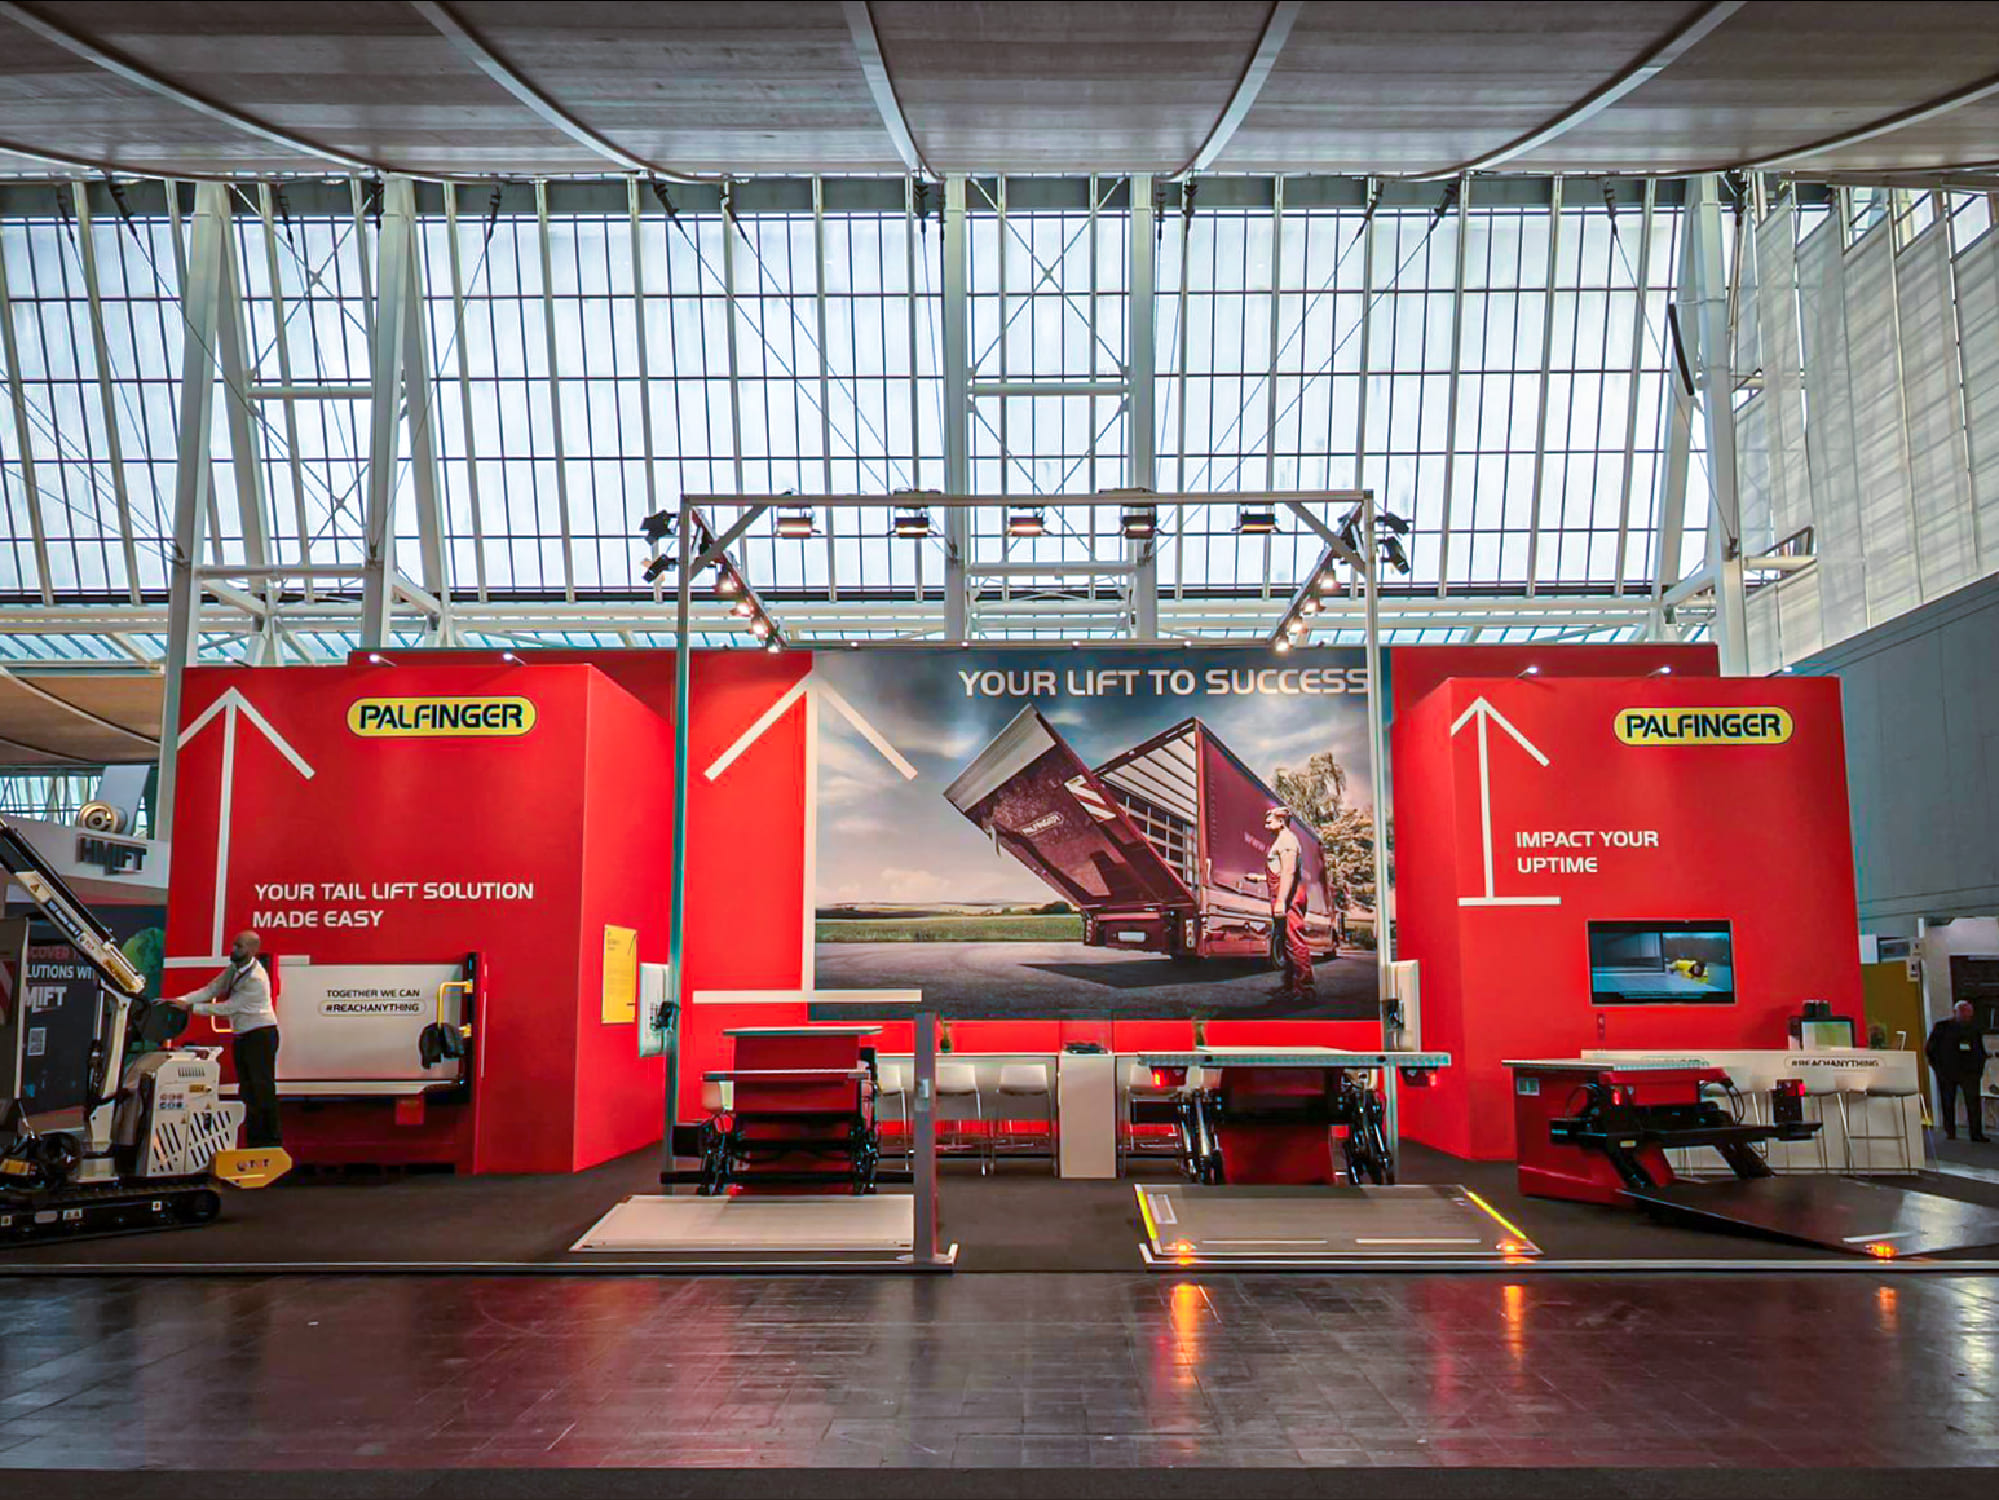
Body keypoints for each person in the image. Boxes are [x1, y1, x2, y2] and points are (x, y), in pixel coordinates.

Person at [169, 930, 282, 1149]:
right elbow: (212, 989)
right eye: (234, 945)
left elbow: (229, 1008)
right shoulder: (234, 969)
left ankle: (270, 1142)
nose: (233, 950)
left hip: (260, 1035)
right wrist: (181, 1000)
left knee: (262, 1091)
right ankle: (254, 1143)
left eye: (239, 946)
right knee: (247, 1091)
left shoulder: (256, 978)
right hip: (244, 1036)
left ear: (252, 950)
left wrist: (192, 1008)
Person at [1264, 805, 1314, 1001]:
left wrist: (1281, 901)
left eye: (1270, 819)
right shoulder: (1281, 840)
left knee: (1294, 940)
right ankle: (1291, 986)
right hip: (1284, 895)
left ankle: (1305, 989)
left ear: (1281, 821)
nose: (1266, 822)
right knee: (1286, 941)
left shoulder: (1287, 840)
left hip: (1289, 896)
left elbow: (1288, 872)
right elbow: (1279, 871)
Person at [1925, 1000, 1989, 1143]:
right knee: (1947, 1101)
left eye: (1969, 1012)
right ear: (1956, 1012)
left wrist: (1979, 1067)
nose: (1967, 1015)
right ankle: (1950, 1131)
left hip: (1970, 1073)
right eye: (1964, 1011)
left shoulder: (1974, 1029)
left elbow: (1979, 1050)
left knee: (1973, 1102)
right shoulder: (1942, 1027)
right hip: (1947, 1072)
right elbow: (1931, 1049)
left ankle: (1976, 1133)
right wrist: (1938, 1068)